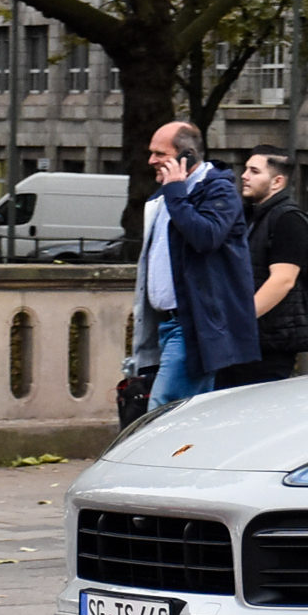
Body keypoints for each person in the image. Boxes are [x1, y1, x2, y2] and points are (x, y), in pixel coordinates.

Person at [128, 122, 260, 410]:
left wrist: (176, 192)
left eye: (159, 154)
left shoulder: (218, 190)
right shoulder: (164, 196)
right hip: (167, 324)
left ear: (184, 157)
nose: (151, 161)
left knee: (164, 408)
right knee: (186, 410)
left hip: (195, 324)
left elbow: (205, 236)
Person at [217, 149, 308, 388]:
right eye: (246, 169)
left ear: (277, 182)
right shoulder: (252, 215)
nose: (244, 176)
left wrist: (238, 323)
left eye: (254, 171)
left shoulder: (288, 220)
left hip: (268, 347)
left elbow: (283, 280)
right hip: (247, 342)